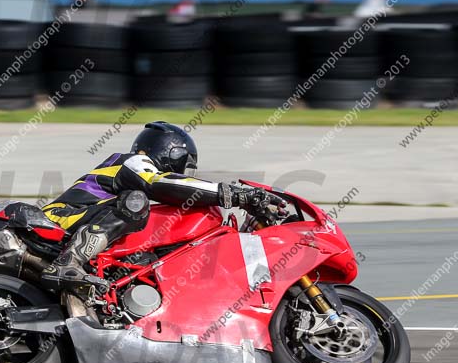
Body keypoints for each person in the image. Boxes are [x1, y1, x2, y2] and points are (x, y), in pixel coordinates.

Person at [40, 121, 287, 291]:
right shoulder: (131, 162)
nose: (184, 172)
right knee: (135, 204)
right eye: (185, 164)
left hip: (82, 222)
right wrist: (234, 194)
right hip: (61, 220)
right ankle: (68, 263)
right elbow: (159, 182)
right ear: (171, 153)